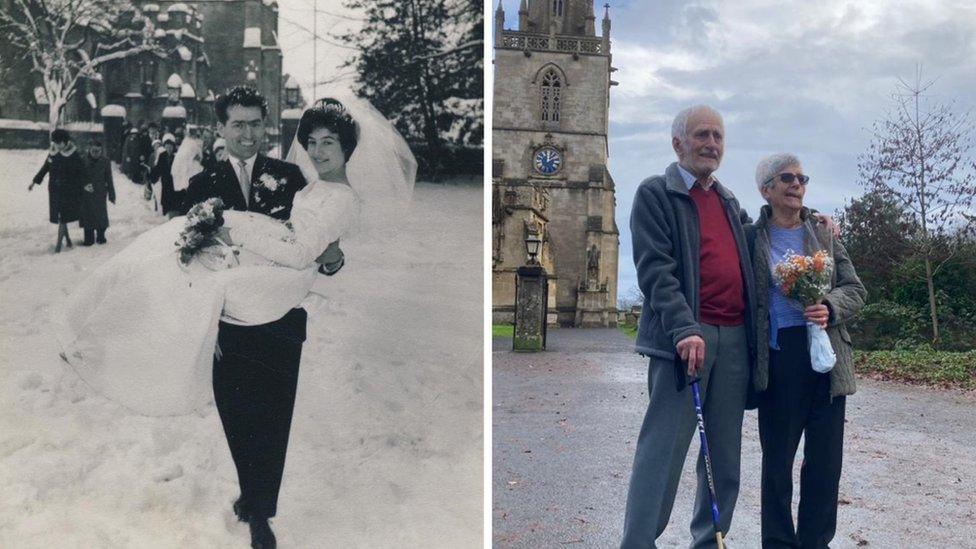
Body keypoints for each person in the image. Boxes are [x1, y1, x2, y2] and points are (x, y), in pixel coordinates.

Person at [56, 86, 415, 549]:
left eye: (254, 124)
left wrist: (331, 257)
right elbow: (187, 257)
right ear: (220, 129)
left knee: (273, 416)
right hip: (225, 320)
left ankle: (261, 510)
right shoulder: (202, 184)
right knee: (236, 414)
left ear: (266, 127)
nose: (247, 134)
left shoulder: (294, 178)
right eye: (237, 125)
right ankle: (251, 488)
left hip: (280, 318)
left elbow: (318, 245)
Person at [621, 105, 757, 549]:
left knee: (725, 459)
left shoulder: (729, 201)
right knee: (662, 454)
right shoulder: (655, 193)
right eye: (702, 135)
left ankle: (710, 541)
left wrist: (814, 219)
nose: (711, 144)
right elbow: (656, 271)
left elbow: (763, 242)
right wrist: (684, 328)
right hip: (685, 342)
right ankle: (638, 543)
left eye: (718, 136)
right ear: (678, 143)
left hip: (734, 339)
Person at [746, 154, 865, 549]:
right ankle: (778, 543)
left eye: (801, 178)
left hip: (827, 356)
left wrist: (829, 306)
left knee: (825, 465)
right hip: (779, 359)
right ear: (767, 189)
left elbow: (855, 289)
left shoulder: (824, 234)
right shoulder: (750, 237)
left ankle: (816, 542)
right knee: (777, 464)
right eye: (787, 178)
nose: (797, 184)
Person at [29, 129, 86, 253]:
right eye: (55, 142)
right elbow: (45, 168)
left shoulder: (74, 155)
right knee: (61, 217)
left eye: (59, 142)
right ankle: (68, 240)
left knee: (62, 217)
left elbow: (82, 172)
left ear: (66, 142)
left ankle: (58, 246)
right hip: (55, 190)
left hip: (69, 191)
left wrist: (84, 185)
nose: (57, 145)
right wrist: (34, 181)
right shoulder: (53, 153)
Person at [79, 140, 116, 245]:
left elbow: (109, 179)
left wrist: (112, 194)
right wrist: (84, 185)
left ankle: (101, 235)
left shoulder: (105, 161)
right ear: (89, 150)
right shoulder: (83, 160)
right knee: (88, 217)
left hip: (100, 193)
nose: (96, 153)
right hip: (87, 194)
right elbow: (77, 177)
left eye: (98, 151)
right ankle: (89, 237)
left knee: (101, 217)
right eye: (94, 151)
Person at [149, 133, 179, 215]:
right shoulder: (162, 156)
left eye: (170, 146)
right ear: (164, 147)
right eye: (167, 146)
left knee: (175, 207)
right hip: (166, 185)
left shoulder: (177, 157)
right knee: (166, 207)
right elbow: (158, 168)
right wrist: (152, 177)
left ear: (173, 147)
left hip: (175, 186)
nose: (169, 148)